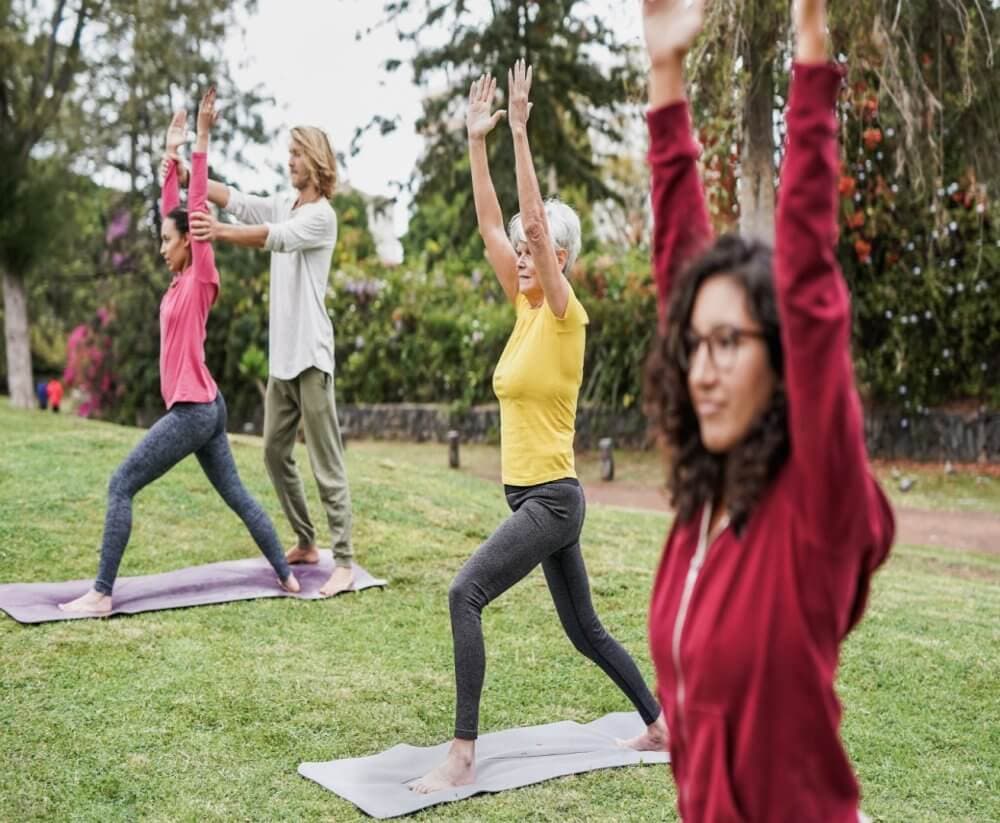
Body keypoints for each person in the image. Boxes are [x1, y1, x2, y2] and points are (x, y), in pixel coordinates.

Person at [641, 1, 895, 819]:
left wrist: (811, 50)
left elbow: (811, 284)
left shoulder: (815, 506)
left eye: (729, 345)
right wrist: (664, 76)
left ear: (782, 365)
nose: (703, 370)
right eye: (694, 348)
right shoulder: (704, 507)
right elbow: (680, 267)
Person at [410, 62, 667, 794]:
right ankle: (660, 722)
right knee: (584, 628)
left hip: (550, 500)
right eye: (522, 251)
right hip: (540, 497)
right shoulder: (525, 307)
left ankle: (462, 751)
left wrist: (521, 132)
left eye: (535, 248)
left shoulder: (562, 312)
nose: (521, 255)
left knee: (464, 593)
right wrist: (475, 142)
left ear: (561, 258)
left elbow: (524, 219)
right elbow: (493, 221)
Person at [60, 90, 299, 614]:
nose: (161, 246)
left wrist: (203, 140)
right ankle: (286, 576)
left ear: (188, 245)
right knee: (235, 495)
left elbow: (190, 213)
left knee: (120, 483)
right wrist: (171, 151)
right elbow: (173, 207)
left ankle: (101, 594)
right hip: (207, 408)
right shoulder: (175, 283)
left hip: (193, 411)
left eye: (167, 241)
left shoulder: (199, 278)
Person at [181, 124, 354, 597]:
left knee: (326, 462)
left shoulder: (322, 217)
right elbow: (235, 198)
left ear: (315, 160)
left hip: (313, 358)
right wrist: (186, 173)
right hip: (283, 360)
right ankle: (306, 541)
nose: (290, 161)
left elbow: (273, 237)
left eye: (297, 154)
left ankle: (345, 561)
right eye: (289, 154)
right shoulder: (286, 201)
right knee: (275, 455)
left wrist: (218, 233)